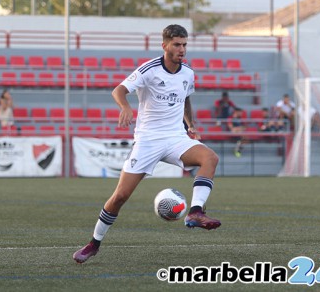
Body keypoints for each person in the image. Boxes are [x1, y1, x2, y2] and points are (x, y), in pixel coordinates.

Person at [73, 24, 221, 264]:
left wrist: (191, 126)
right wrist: (125, 107)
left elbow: (185, 99)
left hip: (175, 137)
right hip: (148, 140)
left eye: (184, 44)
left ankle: (195, 213)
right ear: (164, 45)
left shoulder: (188, 73)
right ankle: (94, 243)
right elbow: (118, 90)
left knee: (210, 158)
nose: (182, 49)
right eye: (176, 44)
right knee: (120, 196)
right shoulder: (149, 69)